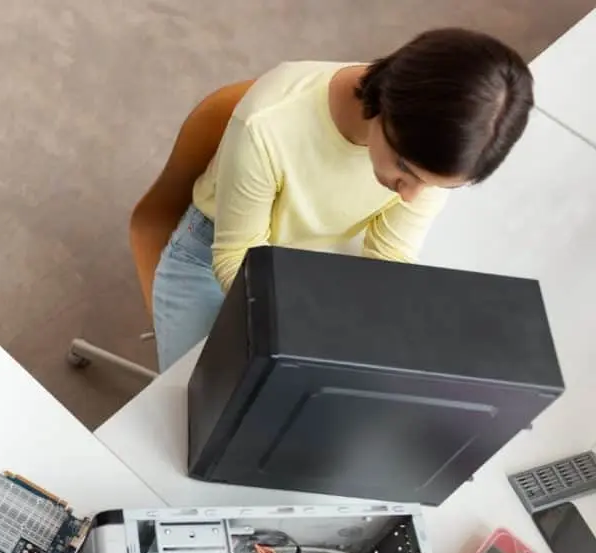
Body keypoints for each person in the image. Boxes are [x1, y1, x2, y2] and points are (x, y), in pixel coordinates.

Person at [152, 28, 534, 370]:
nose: (411, 195)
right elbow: (236, 257)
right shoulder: (269, 124)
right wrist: (311, 331)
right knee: (202, 406)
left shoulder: (436, 150)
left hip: (318, 260)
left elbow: (389, 257)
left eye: (436, 186)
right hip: (213, 256)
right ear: (385, 107)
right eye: (406, 169)